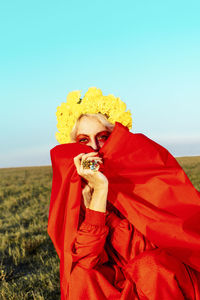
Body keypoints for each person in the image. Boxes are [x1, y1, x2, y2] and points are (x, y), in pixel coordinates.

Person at [48, 87, 200, 300]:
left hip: (164, 280)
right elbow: (85, 259)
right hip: (123, 284)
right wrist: (97, 197)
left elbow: (160, 245)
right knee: (81, 275)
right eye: (83, 140)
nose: (94, 148)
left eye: (102, 137)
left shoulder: (140, 174)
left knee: (149, 267)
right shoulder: (77, 190)